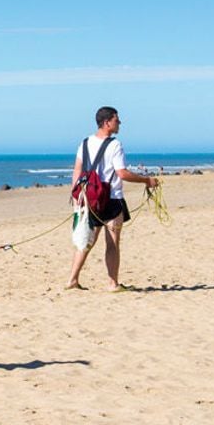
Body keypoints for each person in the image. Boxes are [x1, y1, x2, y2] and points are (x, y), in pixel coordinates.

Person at [66, 106, 159, 292]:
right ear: (107, 122)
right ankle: (113, 283)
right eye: (117, 120)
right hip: (111, 199)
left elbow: (77, 169)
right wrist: (146, 180)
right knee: (112, 242)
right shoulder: (115, 144)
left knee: (87, 240)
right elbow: (122, 173)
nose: (120, 123)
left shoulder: (85, 143)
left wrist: (76, 194)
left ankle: (72, 279)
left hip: (90, 198)